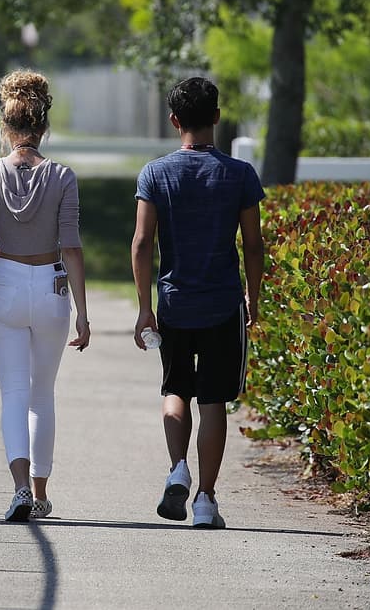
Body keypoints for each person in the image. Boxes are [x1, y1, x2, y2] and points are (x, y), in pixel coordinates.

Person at [131, 76, 265, 529]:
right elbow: (253, 245)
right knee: (213, 402)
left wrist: (145, 306)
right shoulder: (240, 175)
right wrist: (254, 296)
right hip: (223, 304)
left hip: (172, 302)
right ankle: (205, 500)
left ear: (174, 121)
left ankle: (177, 468)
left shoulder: (155, 173)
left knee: (174, 391)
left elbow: (142, 242)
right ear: (217, 118)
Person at [0, 70, 90, 522]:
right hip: (53, 286)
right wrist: (83, 312)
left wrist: (6, 253)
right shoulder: (62, 177)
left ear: (6, 125)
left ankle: (19, 487)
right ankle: (41, 491)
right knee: (43, 394)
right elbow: (72, 246)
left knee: (13, 393)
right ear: (43, 126)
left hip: (6, 286)